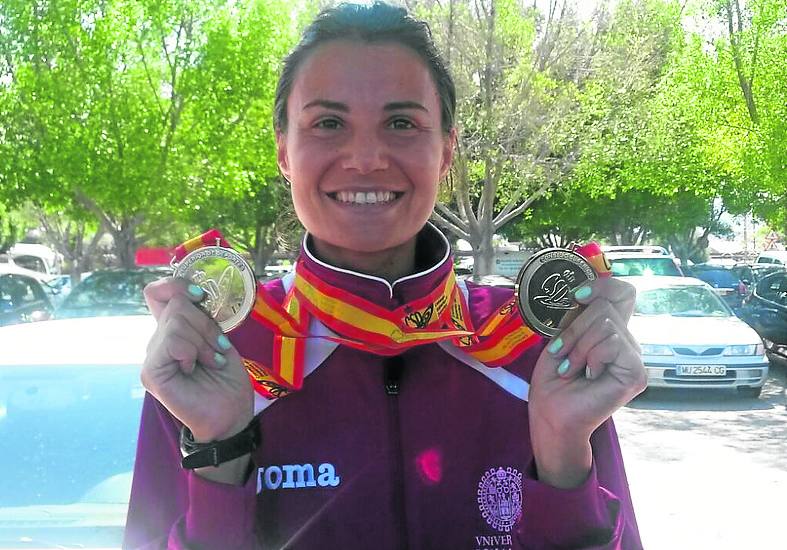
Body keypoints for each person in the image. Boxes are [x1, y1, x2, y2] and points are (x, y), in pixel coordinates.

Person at [123, 2, 646, 549]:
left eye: (401, 123)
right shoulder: (215, 356)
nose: (367, 158)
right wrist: (219, 454)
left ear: (446, 150)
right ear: (284, 151)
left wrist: (563, 454)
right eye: (328, 123)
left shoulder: (534, 348)